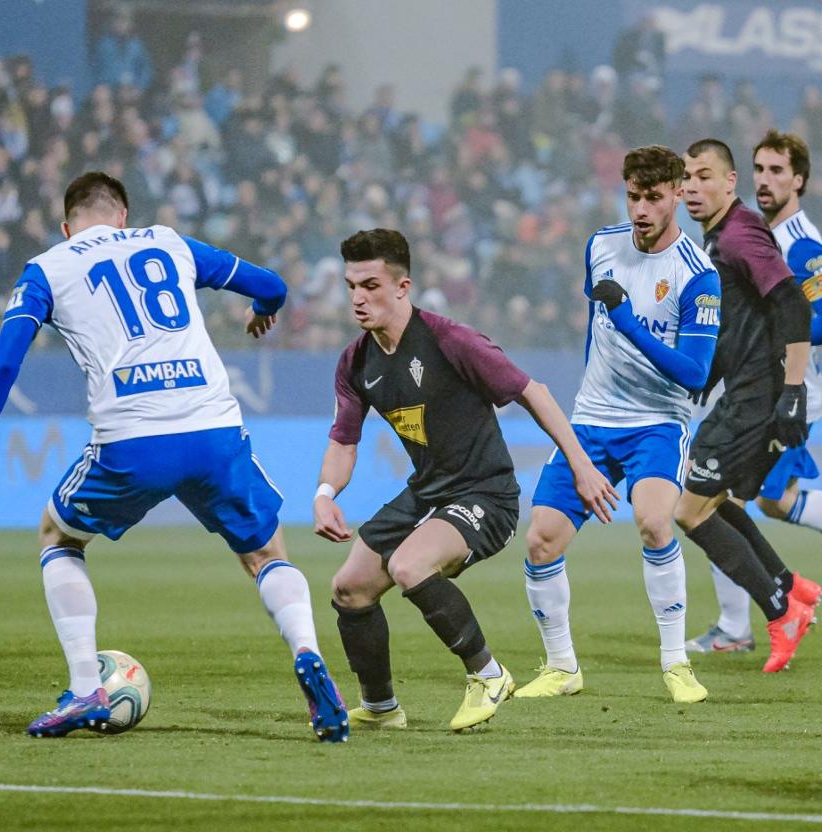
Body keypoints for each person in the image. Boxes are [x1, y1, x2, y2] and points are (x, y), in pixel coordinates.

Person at [0, 172, 349, 742]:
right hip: (214, 428)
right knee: (266, 552)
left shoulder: (49, 266)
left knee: (57, 537)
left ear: (68, 228)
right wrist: (262, 310)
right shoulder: (169, 241)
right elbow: (273, 285)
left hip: (133, 441)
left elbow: (2, 363)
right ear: (123, 216)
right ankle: (308, 652)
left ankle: (86, 686)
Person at [313, 228, 617, 733]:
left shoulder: (449, 339)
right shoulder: (356, 361)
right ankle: (382, 708)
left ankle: (489, 674)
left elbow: (534, 392)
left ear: (403, 286)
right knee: (349, 588)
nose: (357, 298)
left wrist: (582, 466)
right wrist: (325, 495)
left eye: (370, 285)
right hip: (427, 492)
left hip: (486, 494)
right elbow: (344, 441)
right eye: (350, 286)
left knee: (410, 565)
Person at [516, 146, 718, 703]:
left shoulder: (699, 276)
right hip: (592, 420)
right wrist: (589, 399)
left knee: (655, 522)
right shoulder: (600, 246)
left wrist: (628, 320)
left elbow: (695, 373)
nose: (641, 209)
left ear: (678, 193)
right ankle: (562, 667)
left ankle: (676, 663)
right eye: (633, 196)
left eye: (654, 198)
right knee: (539, 540)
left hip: (658, 422)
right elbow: (592, 331)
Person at [673, 138, 817, 673]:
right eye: (687, 177)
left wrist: (794, 392)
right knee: (722, 499)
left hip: (760, 396)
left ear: (729, 183)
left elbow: (793, 305)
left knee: (689, 509)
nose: (692, 187)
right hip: (747, 390)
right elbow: (742, 326)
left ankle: (780, 611)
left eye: (705, 176)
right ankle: (788, 584)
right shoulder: (718, 239)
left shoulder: (740, 233)